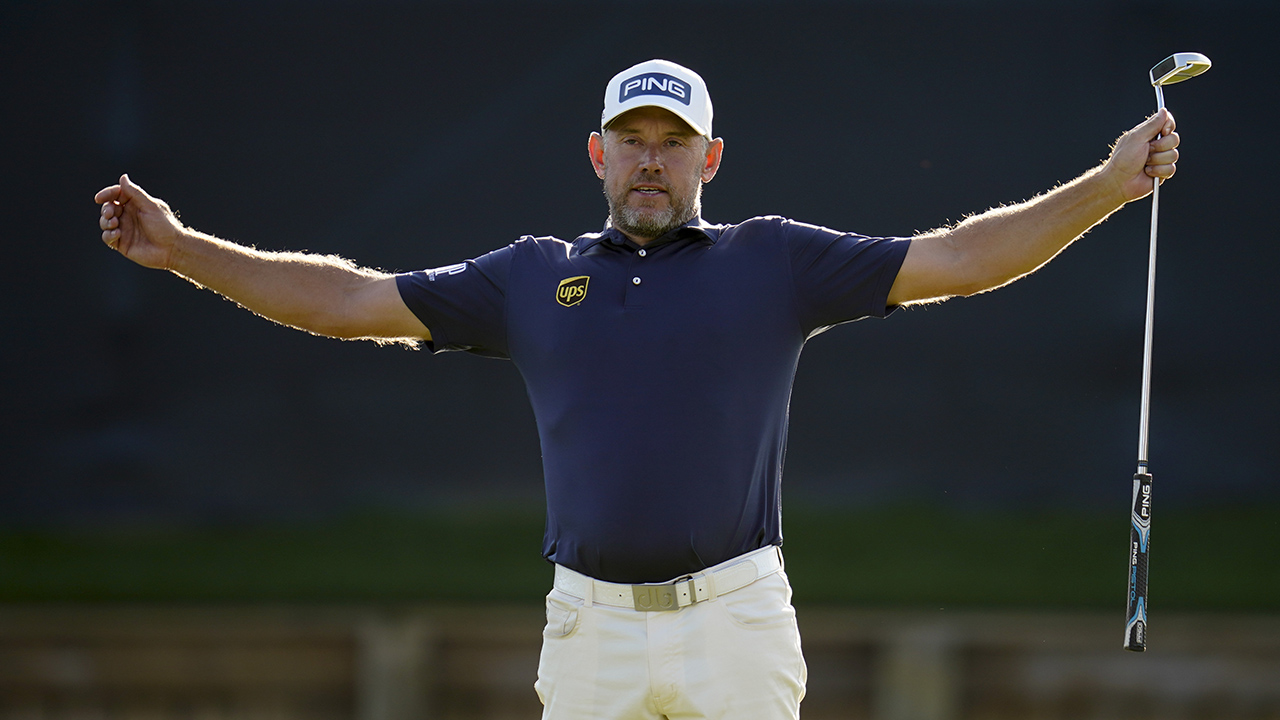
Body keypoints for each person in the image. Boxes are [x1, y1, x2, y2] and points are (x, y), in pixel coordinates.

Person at [96, 58, 1180, 720]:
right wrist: (185, 250)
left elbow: (956, 257)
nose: (649, 162)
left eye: (672, 144)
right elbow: (344, 299)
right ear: (596, 155)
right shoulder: (529, 277)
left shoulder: (774, 260)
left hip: (735, 622)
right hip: (588, 632)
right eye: (631, 142)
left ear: (710, 156)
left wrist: (1104, 185)